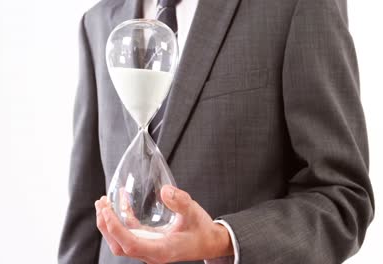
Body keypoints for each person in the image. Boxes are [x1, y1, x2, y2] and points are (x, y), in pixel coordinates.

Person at [58, 0, 375, 263]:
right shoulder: (98, 23)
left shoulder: (293, 5)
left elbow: (342, 198)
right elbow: (85, 212)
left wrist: (223, 238)